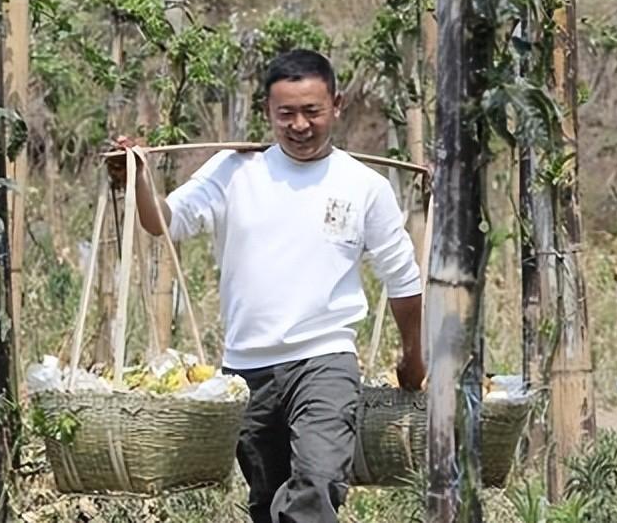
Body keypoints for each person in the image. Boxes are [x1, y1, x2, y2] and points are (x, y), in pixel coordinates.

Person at [107, 48, 425, 523]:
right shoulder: (234, 171)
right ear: (267, 113)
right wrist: (135, 179)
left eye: (312, 111)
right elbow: (164, 222)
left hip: (325, 361)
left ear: (336, 104)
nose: (300, 125)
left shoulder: (364, 186)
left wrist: (412, 357)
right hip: (246, 369)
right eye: (287, 114)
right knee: (266, 503)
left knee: (316, 486)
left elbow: (403, 279)